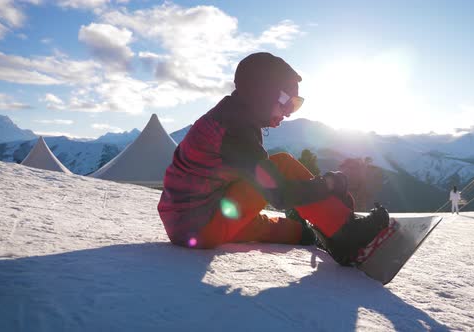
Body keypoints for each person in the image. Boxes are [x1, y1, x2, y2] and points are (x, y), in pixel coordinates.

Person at [158, 52, 390, 266]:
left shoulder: (232, 116)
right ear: (262, 93)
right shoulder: (234, 128)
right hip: (201, 225)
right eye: (287, 100)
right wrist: (330, 183)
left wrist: (308, 202)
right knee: (283, 164)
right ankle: (347, 235)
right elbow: (278, 193)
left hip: (190, 222)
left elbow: (254, 179)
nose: (289, 111)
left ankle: (320, 233)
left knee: (297, 233)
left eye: (296, 104)